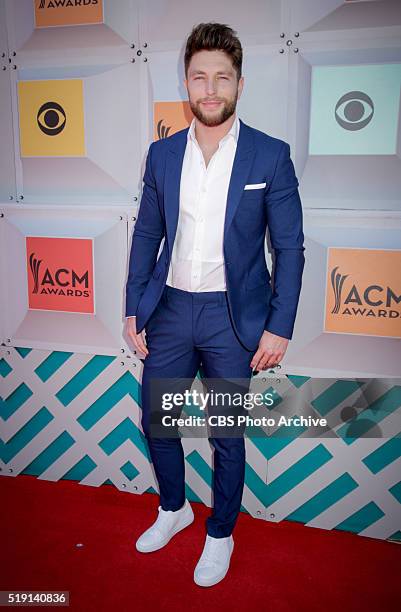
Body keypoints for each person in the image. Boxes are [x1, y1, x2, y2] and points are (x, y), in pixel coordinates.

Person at [125, 22, 305, 587]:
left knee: (227, 433)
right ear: (186, 84)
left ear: (239, 85)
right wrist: (134, 307)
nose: (210, 89)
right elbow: (145, 236)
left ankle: (220, 533)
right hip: (172, 309)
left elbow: (291, 247)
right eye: (199, 77)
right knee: (160, 420)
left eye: (221, 78)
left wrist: (279, 326)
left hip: (234, 317)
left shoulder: (270, 156)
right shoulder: (161, 155)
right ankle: (174, 507)